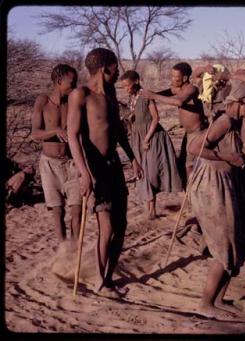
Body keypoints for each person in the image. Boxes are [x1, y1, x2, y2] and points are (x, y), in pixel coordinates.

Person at [67, 47, 144, 297]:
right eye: (115, 67)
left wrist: (132, 157)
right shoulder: (81, 95)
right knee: (107, 227)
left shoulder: (110, 92)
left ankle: (108, 276)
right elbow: (73, 136)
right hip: (94, 168)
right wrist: (84, 173)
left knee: (121, 225)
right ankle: (103, 282)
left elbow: (118, 130)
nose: (118, 71)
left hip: (113, 167)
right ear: (105, 68)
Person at [188, 80, 245, 319]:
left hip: (226, 183)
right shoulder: (224, 121)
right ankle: (206, 303)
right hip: (211, 186)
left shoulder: (234, 122)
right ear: (239, 103)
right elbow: (195, 147)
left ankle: (219, 298)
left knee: (235, 240)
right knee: (223, 244)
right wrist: (226, 156)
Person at [120, 70, 182, 220]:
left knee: (151, 172)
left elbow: (155, 118)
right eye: (123, 87)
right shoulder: (131, 98)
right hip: (137, 138)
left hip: (152, 138)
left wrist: (147, 139)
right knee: (142, 172)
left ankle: (152, 208)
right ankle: (150, 208)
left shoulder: (146, 96)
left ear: (136, 81)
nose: (126, 89)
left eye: (127, 86)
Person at [31, 64, 82, 244]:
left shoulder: (74, 101)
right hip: (49, 165)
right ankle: (63, 250)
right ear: (59, 81)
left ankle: (75, 250)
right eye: (72, 82)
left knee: (77, 209)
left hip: (71, 163)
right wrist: (55, 131)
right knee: (57, 210)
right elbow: (35, 133)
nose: (74, 86)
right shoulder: (43, 101)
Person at [141, 62, 206, 187]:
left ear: (185, 78)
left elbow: (179, 102)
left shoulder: (191, 89)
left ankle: (192, 194)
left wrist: (154, 95)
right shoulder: (178, 89)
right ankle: (189, 192)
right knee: (183, 163)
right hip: (188, 134)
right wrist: (151, 95)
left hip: (197, 133)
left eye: (174, 77)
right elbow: (168, 92)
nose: (172, 79)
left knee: (190, 165)